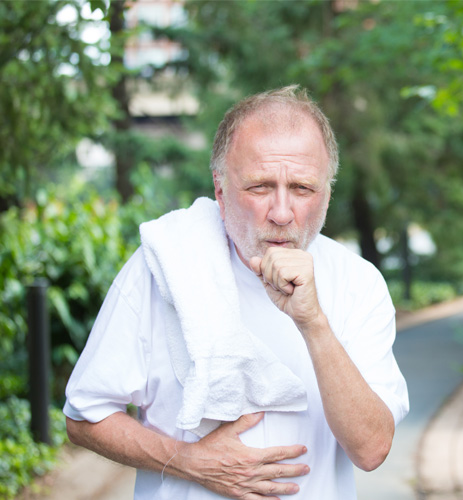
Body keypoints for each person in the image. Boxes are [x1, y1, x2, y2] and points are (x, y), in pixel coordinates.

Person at [63, 85, 409, 500]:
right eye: (260, 187)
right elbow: (85, 414)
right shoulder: (164, 267)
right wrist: (186, 461)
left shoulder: (358, 283)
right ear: (221, 188)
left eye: (302, 188)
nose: (282, 214)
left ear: (327, 193)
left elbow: (371, 449)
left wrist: (314, 323)